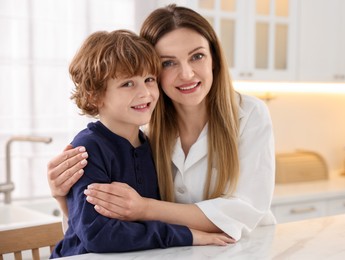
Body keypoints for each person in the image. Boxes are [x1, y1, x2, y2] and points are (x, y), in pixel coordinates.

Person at [47, 4, 276, 243]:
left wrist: (145, 208)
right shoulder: (141, 127)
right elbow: (97, 230)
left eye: (197, 56)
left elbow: (245, 211)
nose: (187, 73)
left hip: (249, 250)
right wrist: (63, 197)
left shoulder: (249, 114)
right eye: (168, 63)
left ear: (214, 60)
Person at [50, 29, 234, 258]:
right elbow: (99, 235)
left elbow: (151, 218)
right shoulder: (87, 150)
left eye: (149, 80)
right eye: (128, 83)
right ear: (94, 96)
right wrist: (189, 235)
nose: (145, 92)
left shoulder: (150, 145)